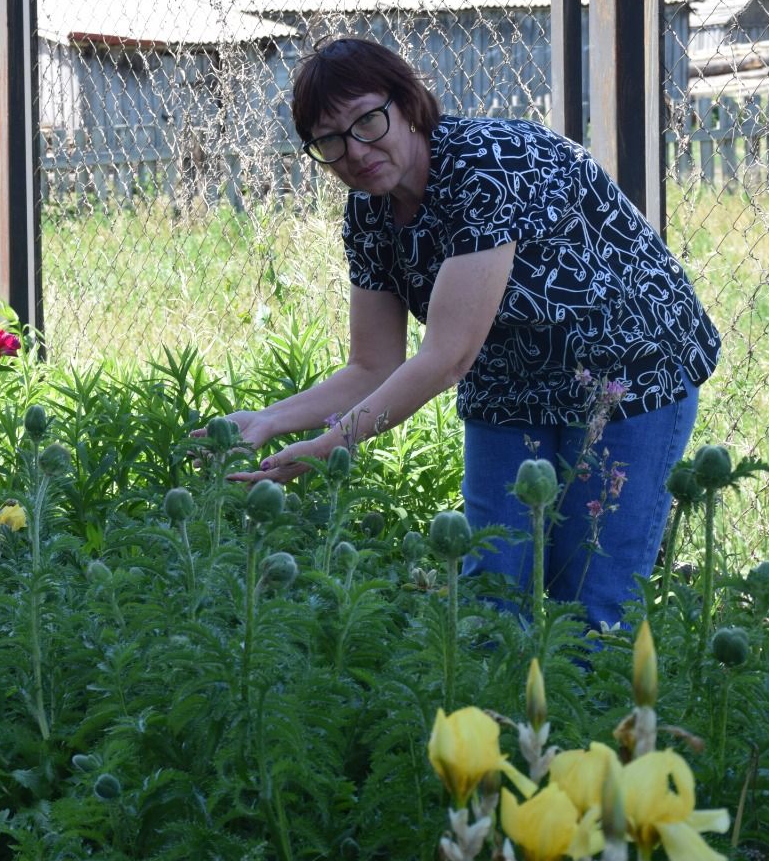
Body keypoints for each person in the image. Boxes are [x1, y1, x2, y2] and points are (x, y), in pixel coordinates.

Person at [211, 38, 720, 629]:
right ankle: (492, 720)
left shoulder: (488, 165)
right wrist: (271, 420)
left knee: (591, 595)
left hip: (628, 375)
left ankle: (589, 721)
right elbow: (372, 367)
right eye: (330, 140)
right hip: (508, 380)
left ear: (406, 104)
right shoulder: (369, 212)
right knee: (488, 593)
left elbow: (447, 359)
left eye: (368, 121)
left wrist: (331, 446)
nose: (355, 150)